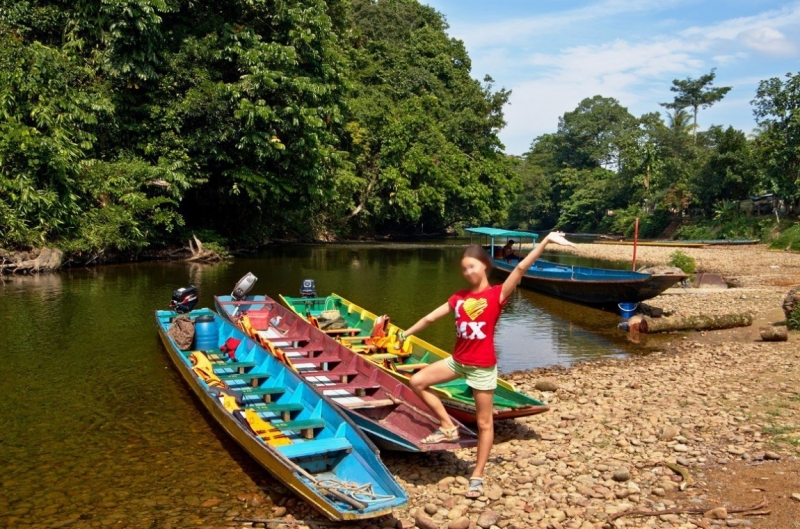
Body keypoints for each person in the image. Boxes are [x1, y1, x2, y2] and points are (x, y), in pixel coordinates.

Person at [396, 232, 576, 498]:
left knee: (484, 424)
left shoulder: (497, 295)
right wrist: (406, 333)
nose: (468, 271)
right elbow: (430, 318)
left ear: (484, 265)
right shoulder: (458, 298)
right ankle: (448, 426)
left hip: (481, 368)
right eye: (464, 268)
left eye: (472, 266)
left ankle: (477, 475)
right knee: (417, 381)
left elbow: (522, 267)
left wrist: (547, 241)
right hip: (457, 362)